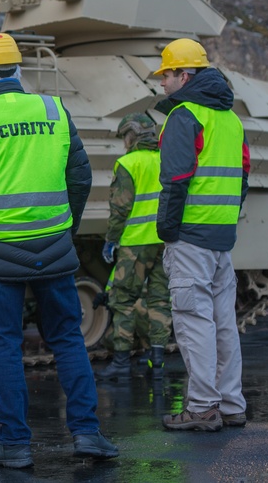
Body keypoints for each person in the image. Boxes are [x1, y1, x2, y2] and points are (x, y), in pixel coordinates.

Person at [0, 32, 118, 468]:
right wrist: (63, 229)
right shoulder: (54, 110)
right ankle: (88, 435)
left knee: (4, 345)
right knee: (68, 339)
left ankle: (15, 445)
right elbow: (80, 178)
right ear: (19, 70)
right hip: (54, 247)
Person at [154, 38, 249, 431]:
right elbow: (243, 177)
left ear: (184, 75)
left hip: (190, 236)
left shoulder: (185, 116)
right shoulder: (231, 119)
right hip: (221, 237)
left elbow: (175, 179)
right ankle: (230, 404)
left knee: (194, 321)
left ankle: (202, 407)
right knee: (223, 321)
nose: (162, 83)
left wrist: (167, 229)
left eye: (166, 74)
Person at [97, 113, 172, 381]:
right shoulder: (166, 159)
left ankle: (120, 362)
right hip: (165, 241)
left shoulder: (128, 163)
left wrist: (111, 240)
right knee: (160, 299)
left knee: (123, 299)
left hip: (136, 242)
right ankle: (158, 361)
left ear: (132, 136)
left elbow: (120, 208)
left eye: (125, 137)